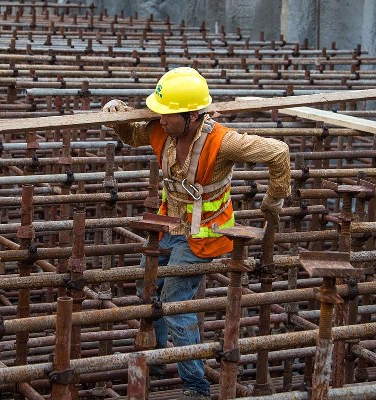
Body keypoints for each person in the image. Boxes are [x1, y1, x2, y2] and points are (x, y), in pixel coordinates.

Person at [102, 67, 291, 400]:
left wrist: (274, 198)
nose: (160, 119)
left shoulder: (223, 141)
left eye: (168, 115)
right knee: (148, 286)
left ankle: (196, 386)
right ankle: (160, 354)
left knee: (176, 302)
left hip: (204, 235)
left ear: (192, 116)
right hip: (169, 225)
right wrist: (116, 115)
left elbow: (278, 152)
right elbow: (131, 135)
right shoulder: (162, 130)